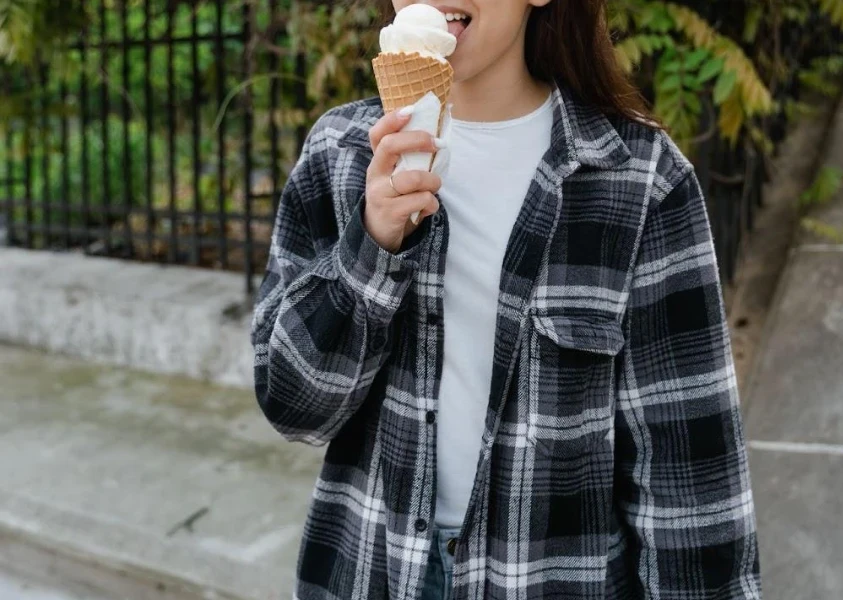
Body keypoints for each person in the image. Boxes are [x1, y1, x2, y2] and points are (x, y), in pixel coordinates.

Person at [250, 0, 762, 598]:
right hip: (373, 567)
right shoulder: (340, 154)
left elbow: (688, 476)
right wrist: (372, 244)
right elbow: (292, 406)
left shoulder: (641, 179)